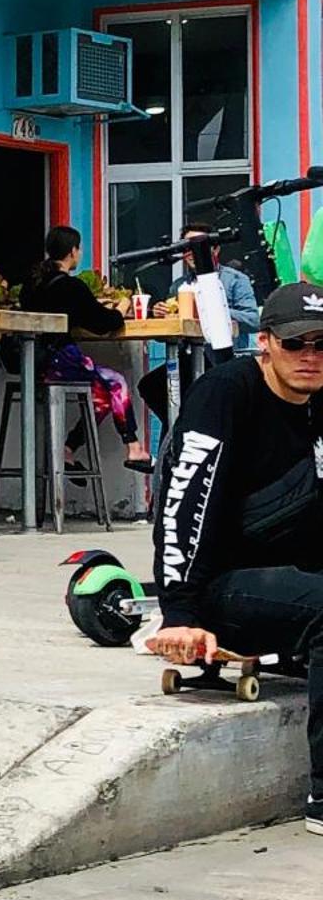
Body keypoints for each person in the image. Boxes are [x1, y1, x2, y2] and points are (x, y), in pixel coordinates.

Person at [144, 283, 323, 834]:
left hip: (296, 573)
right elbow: (184, 506)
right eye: (297, 345)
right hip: (226, 584)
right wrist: (179, 612)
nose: (312, 357)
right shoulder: (226, 395)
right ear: (264, 343)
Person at [18, 226, 152, 469]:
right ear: (72, 251)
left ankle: (68, 449)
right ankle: (133, 447)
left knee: (101, 395)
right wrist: (121, 308)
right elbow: (104, 324)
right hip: (59, 360)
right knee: (116, 382)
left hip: (30, 364)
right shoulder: (71, 287)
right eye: (79, 249)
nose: (80, 254)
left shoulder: (32, 285)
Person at [137, 225, 262, 429]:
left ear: (215, 250)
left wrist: (210, 309)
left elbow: (253, 319)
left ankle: (186, 426)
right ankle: (179, 428)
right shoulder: (179, 285)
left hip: (221, 358)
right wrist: (163, 315)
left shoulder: (235, 279)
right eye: (187, 248)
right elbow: (169, 334)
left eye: (198, 247)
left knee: (197, 392)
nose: (192, 253)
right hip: (185, 358)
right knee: (151, 386)